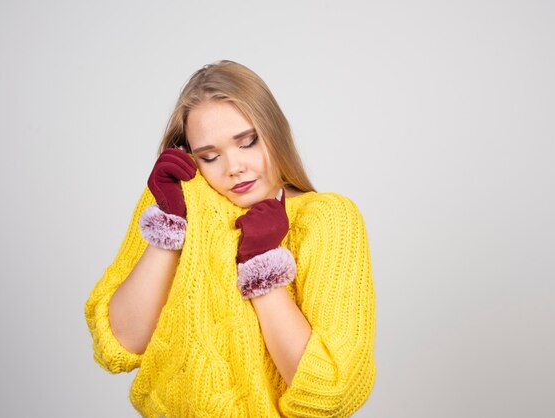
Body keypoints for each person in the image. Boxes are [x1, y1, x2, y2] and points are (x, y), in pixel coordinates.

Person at [84, 60, 376, 417]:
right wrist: (169, 230)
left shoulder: (329, 220)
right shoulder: (180, 200)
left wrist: (262, 265)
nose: (233, 167)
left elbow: (331, 393)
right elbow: (119, 345)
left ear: (275, 132)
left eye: (247, 142)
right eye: (210, 156)